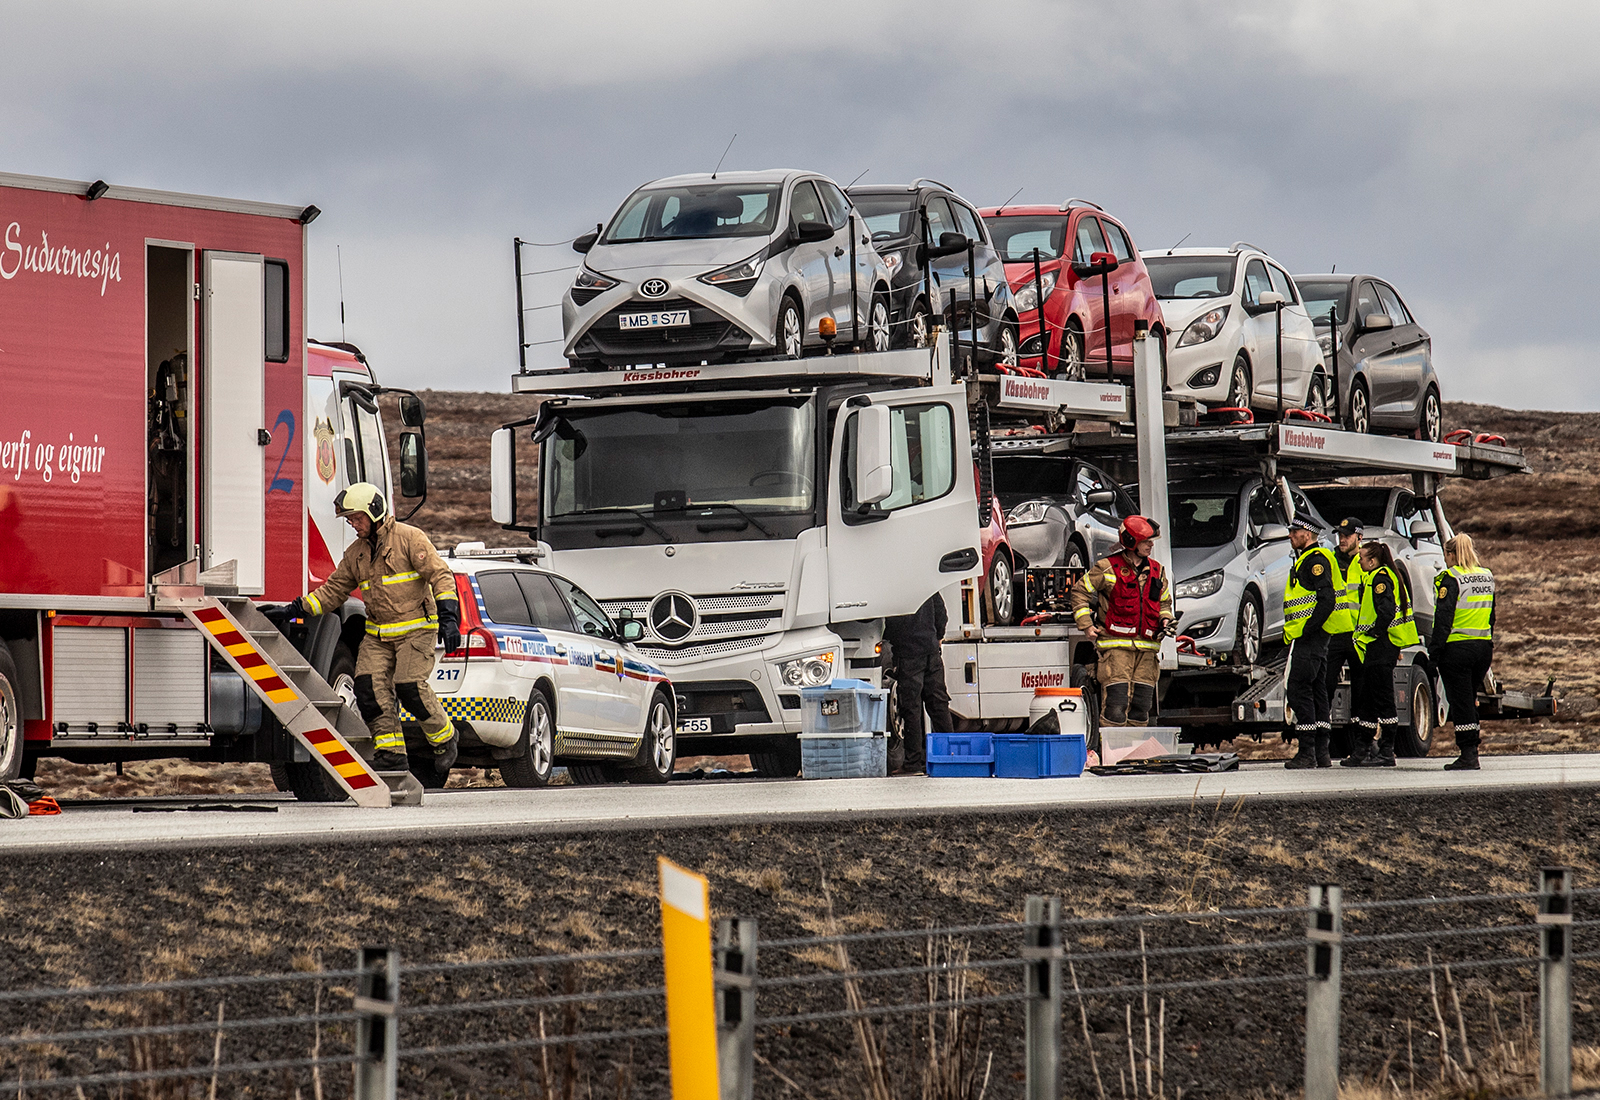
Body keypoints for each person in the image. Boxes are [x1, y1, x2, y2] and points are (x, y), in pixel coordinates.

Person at [284, 483, 461, 773]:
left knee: (410, 688)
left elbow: (440, 575)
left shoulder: (409, 539)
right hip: (379, 636)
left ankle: (444, 738)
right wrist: (297, 608)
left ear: (374, 512)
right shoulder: (355, 554)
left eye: (357, 518)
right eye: (350, 519)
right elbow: (334, 591)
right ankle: (391, 753)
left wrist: (449, 617)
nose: (353, 524)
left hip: (415, 632)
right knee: (368, 690)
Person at [1070, 515, 1175, 726]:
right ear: (1131, 542)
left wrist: (1166, 620)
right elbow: (1080, 591)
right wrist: (1086, 626)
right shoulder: (1107, 568)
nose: (1151, 545)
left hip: (1147, 651)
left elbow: (1164, 604)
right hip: (1115, 650)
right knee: (1115, 707)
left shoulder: (1157, 571)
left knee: (1141, 707)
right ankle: (1113, 753)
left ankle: (1135, 753)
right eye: (1146, 541)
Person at [1347, 541, 1419, 767]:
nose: (1358, 561)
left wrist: (1376, 633)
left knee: (1383, 699)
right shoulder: (1379, 576)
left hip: (1381, 647)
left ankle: (1387, 750)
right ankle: (1362, 750)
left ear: (1372, 560)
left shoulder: (1380, 579)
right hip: (1378, 648)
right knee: (1368, 700)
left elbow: (1385, 611)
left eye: (1361, 557)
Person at [1431, 533, 1496, 770]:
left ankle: (1468, 753)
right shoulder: (1487, 576)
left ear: (1451, 554)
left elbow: (1443, 620)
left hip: (1457, 648)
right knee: (1469, 699)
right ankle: (1472, 751)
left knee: (1460, 702)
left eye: (1446, 555)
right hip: (1482, 648)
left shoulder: (1450, 578)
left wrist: (1434, 654)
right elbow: (1492, 615)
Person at [1282, 516, 1337, 768]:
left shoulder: (1315, 561)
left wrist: (1308, 629)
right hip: (1312, 636)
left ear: (1308, 533)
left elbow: (1327, 599)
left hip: (1311, 636)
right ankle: (1321, 753)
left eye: (1295, 531)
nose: (1291, 535)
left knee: (1299, 688)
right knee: (1317, 690)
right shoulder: (1307, 559)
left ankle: (1307, 752)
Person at [882, 592, 954, 776]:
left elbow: (892, 626)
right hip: (931, 651)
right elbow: (941, 612)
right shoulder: (926, 584)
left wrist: (892, 641)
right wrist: (938, 636)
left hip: (908, 654)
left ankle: (913, 763)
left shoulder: (896, 589)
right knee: (938, 704)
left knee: (911, 708)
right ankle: (950, 756)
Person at [1324, 517, 1366, 745]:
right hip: (1337, 633)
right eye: (1340, 535)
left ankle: (1361, 744)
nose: (1342, 539)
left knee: (1361, 691)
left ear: (1359, 537)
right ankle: (1323, 742)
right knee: (1325, 685)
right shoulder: (1330, 560)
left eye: (1347, 535)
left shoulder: (1367, 562)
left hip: (1360, 635)